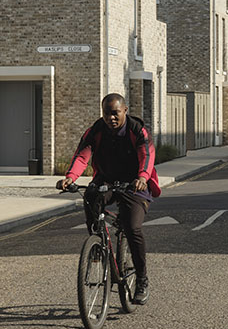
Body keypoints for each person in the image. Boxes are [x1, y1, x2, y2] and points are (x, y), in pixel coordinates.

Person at [58, 93, 159, 305]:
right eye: (106, 114)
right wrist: (70, 177)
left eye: (115, 113)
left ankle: (141, 279)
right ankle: (97, 243)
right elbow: (82, 155)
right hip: (107, 180)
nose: (111, 118)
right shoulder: (96, 131)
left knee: (132, 227)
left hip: (135, 183)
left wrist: (142, 177)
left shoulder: (136, 130)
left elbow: (147, 156)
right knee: (91, 195)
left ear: (125, 111)